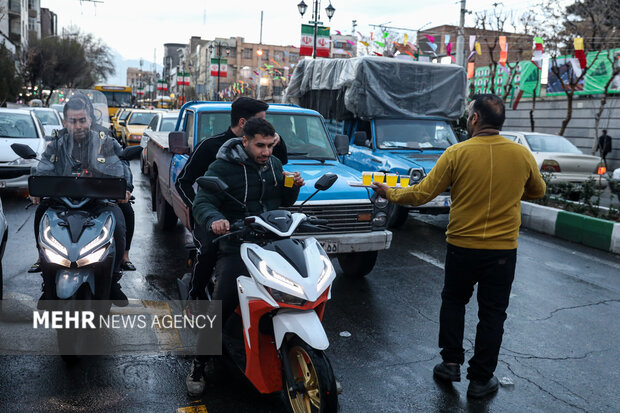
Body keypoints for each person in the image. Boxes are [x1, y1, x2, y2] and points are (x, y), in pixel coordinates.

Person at [373, 94, 546, 399]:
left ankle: (450, 363)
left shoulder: (456, 153)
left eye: (468, 115)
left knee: (454, 302)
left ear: (476, 119)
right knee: (493, 314)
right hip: (502, 251)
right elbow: (538, 190)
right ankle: (480, 380)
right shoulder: (521, 155)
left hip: (462, 247)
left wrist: (390, 194)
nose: (467, 119)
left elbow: (422, 194)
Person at [185, 117, 304, 396]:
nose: (266, 152)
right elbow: (203, 202)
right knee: (221, 305)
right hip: (237, 243)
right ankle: (198, 365)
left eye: (270, 146)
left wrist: (293, 186)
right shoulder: (222, 167)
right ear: (245, 141)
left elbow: (284, 203)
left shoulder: (274, 165)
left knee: (302, 294)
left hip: (274, 242)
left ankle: (305, 359)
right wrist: (215, 218)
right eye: (260, 145)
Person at [175, 97, 287, 301]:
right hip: (214, 218)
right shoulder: (209, 147)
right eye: (260, 119)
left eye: (268, 145)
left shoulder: (270, 148)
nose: (266, 151)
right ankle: (195, 299)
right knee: (208, 251)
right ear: (244, 124)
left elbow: (279, 175)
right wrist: (206, 215)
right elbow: (183, 182)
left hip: (252, 222)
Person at [30, 94, 132, 306]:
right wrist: (37, 189)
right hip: (62, 202)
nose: (78, 125)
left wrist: (126, 188)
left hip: (98, 202)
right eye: (73, 121)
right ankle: (45, 273)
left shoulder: (105, 142)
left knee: (121, 218)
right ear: (66, 122)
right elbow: (43, 167)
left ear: (90, 120)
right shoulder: (56, 144)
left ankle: (114, 277)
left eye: (82, 120)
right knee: (41, 213)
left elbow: (121, 164)